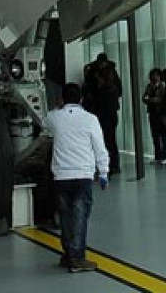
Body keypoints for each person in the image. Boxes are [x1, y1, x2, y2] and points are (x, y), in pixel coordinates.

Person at [45, 82, 109, 273]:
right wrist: (103, 172)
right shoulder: (91, 119)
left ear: (62, 99)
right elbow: (99, 147)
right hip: (83, 175)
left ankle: (68, 254)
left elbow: (43, 124)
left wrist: (58, 108)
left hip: (61, 176)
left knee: (65, 216)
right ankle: (77, 258)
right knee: (80, 216)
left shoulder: (54, 117)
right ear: (81, 99)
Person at [82, 53, 122, 174]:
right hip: (110, 109)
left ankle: (103, 165)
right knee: (110, 139)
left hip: (99, 110)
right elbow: (119, 91)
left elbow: (89, 91)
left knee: (101, 139)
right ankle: (113, 165)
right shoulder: (112, 75)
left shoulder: (94, 73)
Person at [142, 68, 166, 163]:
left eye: (156, 75)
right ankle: (158, 156)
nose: (155, 77)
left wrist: (151, 99)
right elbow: (144, 97)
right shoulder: (149, 86)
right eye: (153, 75)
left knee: (164, 135)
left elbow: (161, 99)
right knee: (155, 136)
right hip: (152, 113)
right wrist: (150, 99)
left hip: (161, 114)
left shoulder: (162, 86)